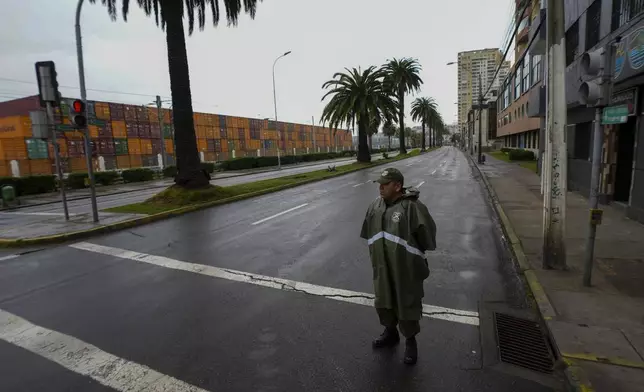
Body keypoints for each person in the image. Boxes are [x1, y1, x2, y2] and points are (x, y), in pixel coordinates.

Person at [360, 167, 437, 365]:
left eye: (385, 184)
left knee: (407, 302)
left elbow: (427, 238)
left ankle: (411, 341)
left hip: (406, 269)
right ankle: (390, 332)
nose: (381, 188)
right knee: (384, 299)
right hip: (382, 266)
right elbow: (368, 232)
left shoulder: (412, 208)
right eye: (380, 184)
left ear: (398, 186)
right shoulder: (374, 206)